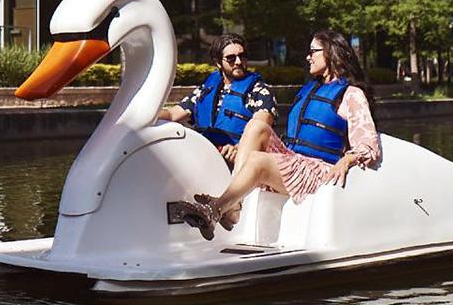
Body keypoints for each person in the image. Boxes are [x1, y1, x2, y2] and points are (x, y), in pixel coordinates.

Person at [179, 30, 381, 240]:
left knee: (257, 160)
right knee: (256, 126)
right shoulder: (309, 89)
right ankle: (234, 205)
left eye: (313, 51)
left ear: (331, 53)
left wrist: (347, 160)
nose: (308, 57)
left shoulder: (351, 94)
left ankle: (215, 209)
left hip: (319, 172)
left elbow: (368, 144)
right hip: (295, 162)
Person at [160, 33, 277, 163]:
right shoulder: (205, 90)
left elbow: (261, 127)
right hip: (203, 158)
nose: (238, 62)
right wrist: (146, 114)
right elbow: (172, 114)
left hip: (240, 162)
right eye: (231, 58)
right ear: (218, 63)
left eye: (242, 56)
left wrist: (239, 148)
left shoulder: (260, 91)